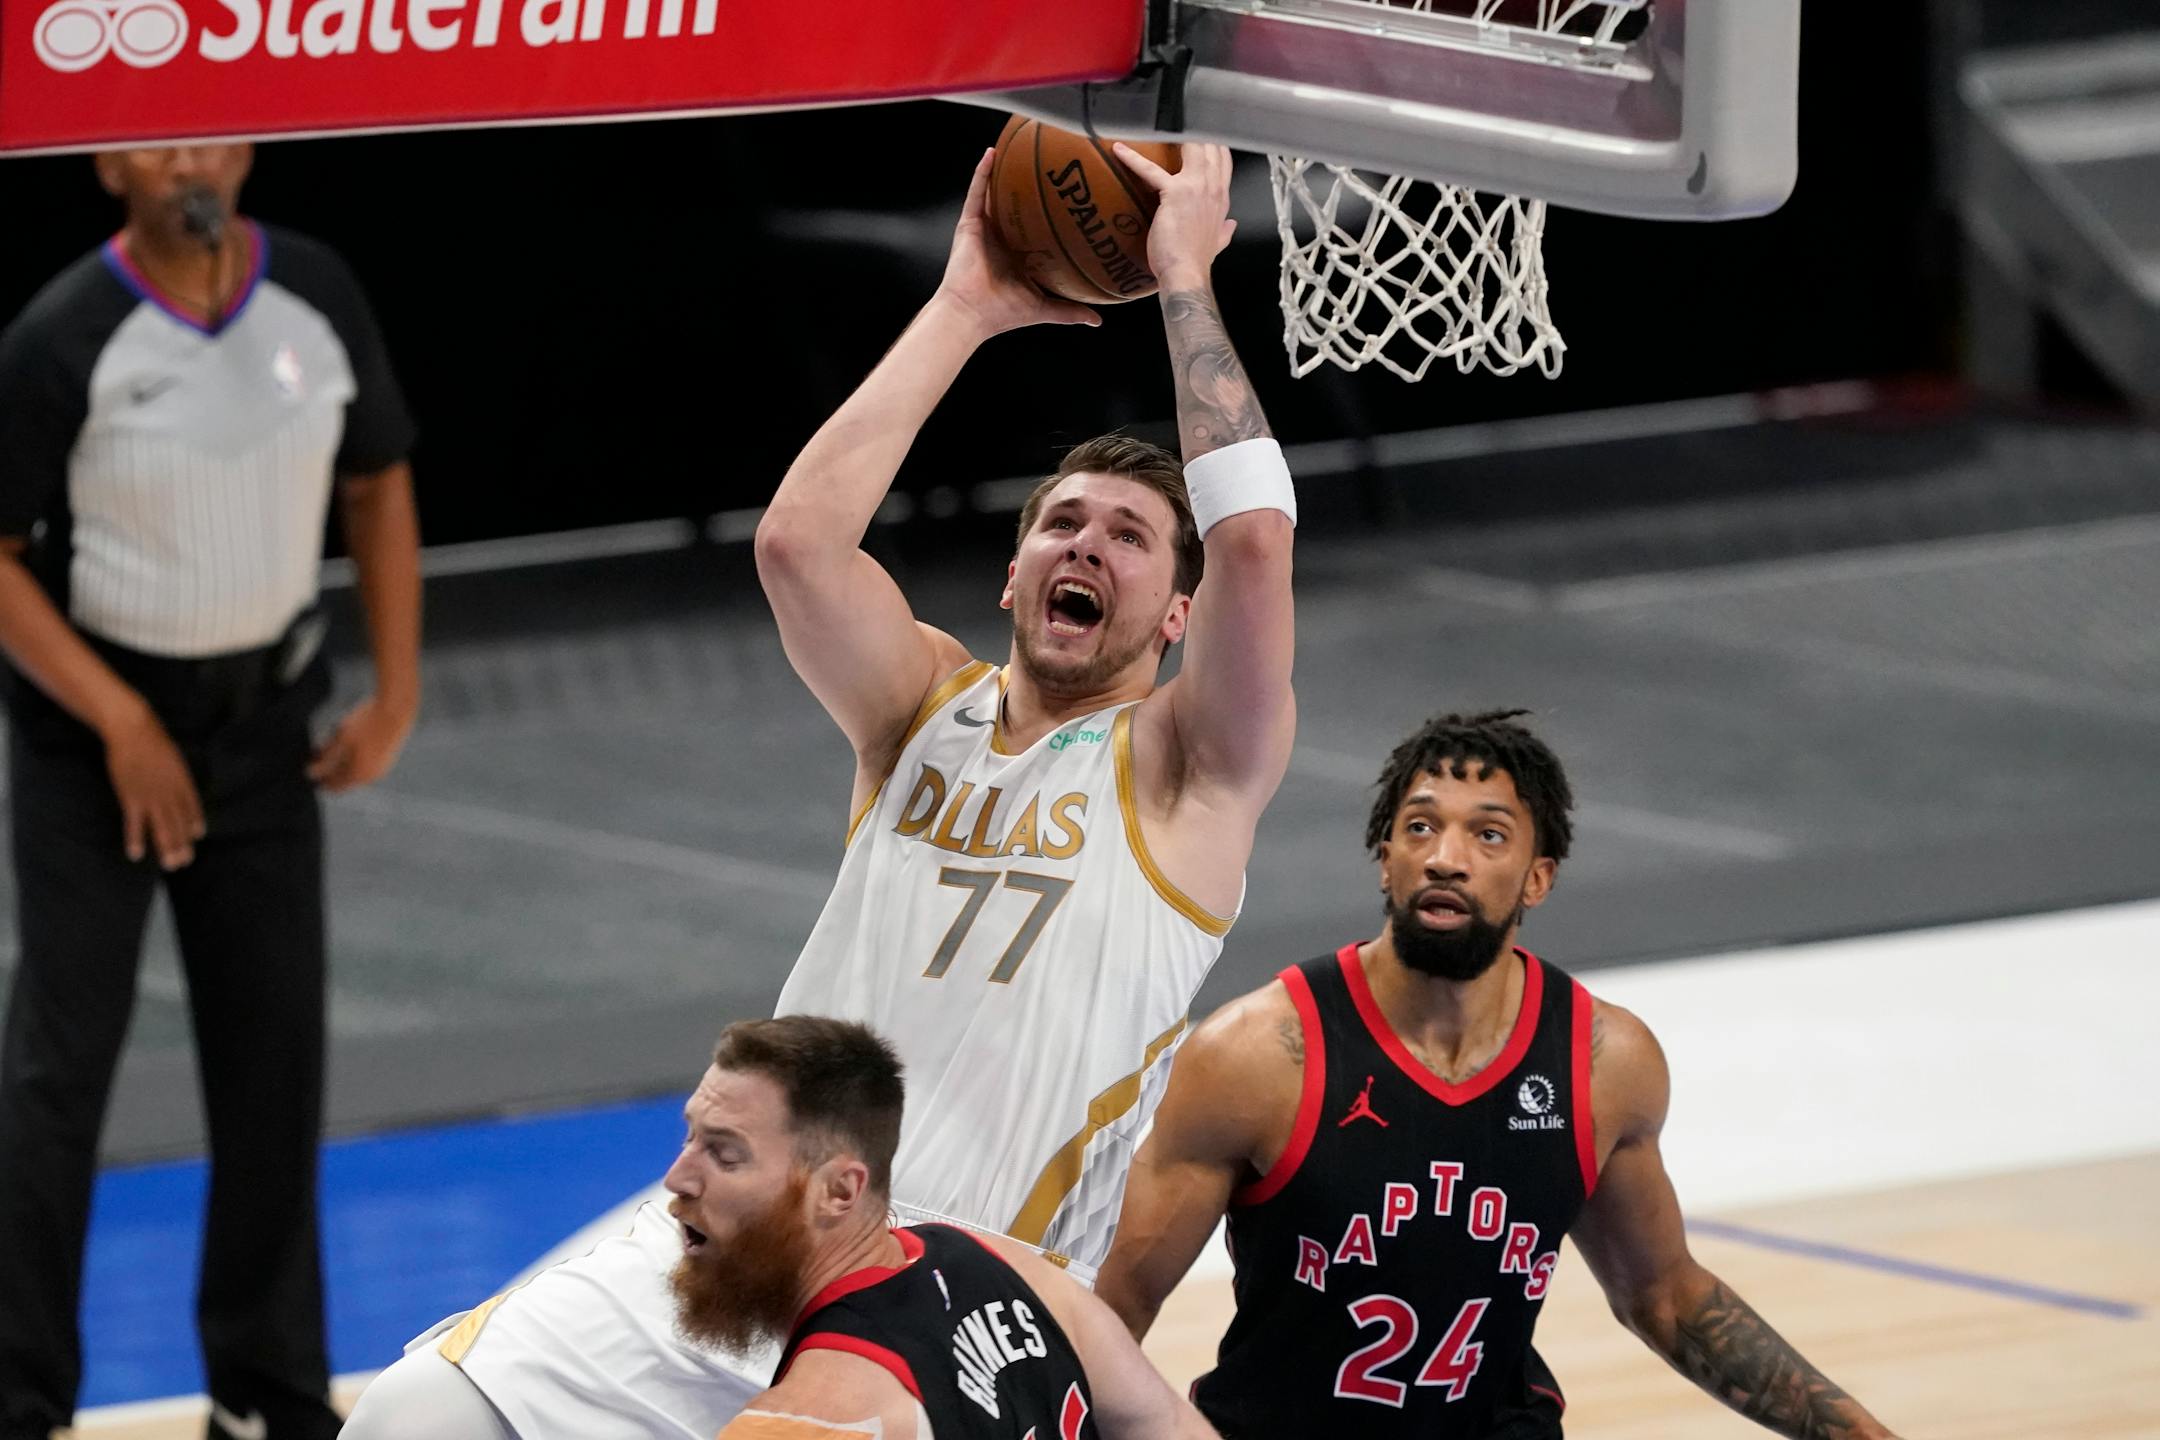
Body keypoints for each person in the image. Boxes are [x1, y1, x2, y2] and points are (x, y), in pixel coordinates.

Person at [345, 139, 1294, 1439]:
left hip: (948, 1289)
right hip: (751, 1226)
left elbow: (1253, 536)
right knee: (410, 1415)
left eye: (1128, 536)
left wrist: (1183, 273)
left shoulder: (1192, 774)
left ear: (1177, 610)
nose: (1086, 543)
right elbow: (798, 545)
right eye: (1060, 524)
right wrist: (967, 302)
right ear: (1014, 579)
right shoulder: (923, 711)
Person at [1094, 711, 1905, 1440]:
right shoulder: (1258, 1056)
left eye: (1487, 835)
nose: (1446, 858)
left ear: (1537, 877)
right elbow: (1115, 1307)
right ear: (1386, 860)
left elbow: (1666, 1297)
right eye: (1420, 828)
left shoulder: (1602, 1064)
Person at [0, 143, 421, 1440]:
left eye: (208, 129)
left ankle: (267, 1393)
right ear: (103, 165)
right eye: (154, 135)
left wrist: (395, 690)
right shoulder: (62, 336)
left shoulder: (316, 290)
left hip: (262, 733)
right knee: (55, 1076)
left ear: (245, 148)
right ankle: (20, 1403)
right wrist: (120, 721)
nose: (187, 156)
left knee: (273, 1064)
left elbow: (377, 478)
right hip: (95, 743)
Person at [347, 1016, 1220, 1440]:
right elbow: (1166, 1428)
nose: (676, 1180)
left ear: (839, 1190)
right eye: (690, 1137)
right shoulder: (1013, 1267)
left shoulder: (809, 1420)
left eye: (724, 1154)